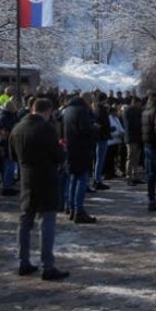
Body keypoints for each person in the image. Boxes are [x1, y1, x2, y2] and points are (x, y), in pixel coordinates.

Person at [11, 98, 69, 281]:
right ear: (47, 111)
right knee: (47, 220)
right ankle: (48, 265)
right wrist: (62, 151)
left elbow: (12, 155)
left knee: (25, 219)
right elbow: (58, 156)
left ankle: (23, 261)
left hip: (26, 178)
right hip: (46, 177)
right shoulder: (46, 129)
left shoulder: (17, 128)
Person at [63, 94, 97, 223]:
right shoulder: (82, 111)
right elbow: (85, 130)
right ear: (87, 101)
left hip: (71, 148)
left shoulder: (68, 110)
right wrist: (94, 129)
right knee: (82, 180)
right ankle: (79, 211)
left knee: (72, 179)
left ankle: (71, 209)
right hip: (82, 149)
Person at [123, 97, 144, 185]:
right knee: (130, 158)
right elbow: (130, 125)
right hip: (131, 138)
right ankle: (128, 177)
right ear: (134, 103)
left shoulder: (138, 111)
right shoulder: (128, 111)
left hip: (138, 138)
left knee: (136, 158)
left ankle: (135, 175)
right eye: (139, 103)